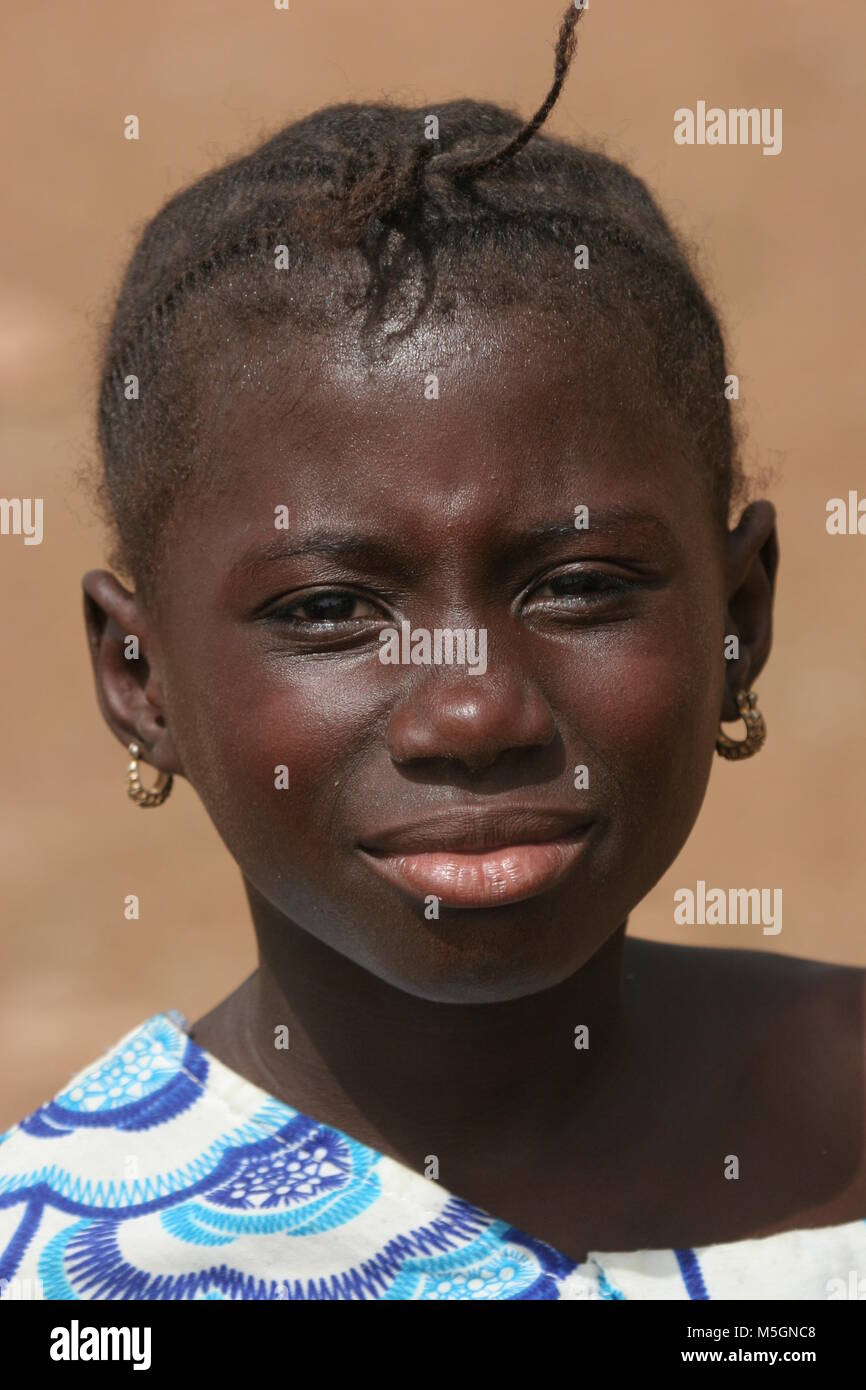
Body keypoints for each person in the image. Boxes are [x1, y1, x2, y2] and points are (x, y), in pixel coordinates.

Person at [1, 4, 863, 1301]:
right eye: (327, 611)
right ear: (141, 680)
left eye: (576, 584)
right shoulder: (71, 1271)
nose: (472, 710)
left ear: (737, 617)